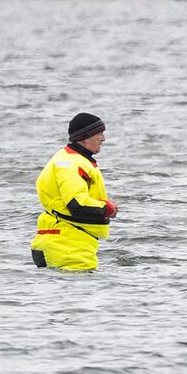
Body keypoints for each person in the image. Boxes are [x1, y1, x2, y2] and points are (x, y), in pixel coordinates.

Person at [31, 113, 118, 270]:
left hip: (60, 239)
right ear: (85, 137)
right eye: (99, 134)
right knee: (86, 292)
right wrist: (106, 209)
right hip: (68, 246)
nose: (103, 139)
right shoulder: (72, 163)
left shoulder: (67, 157)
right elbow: (77, 204)